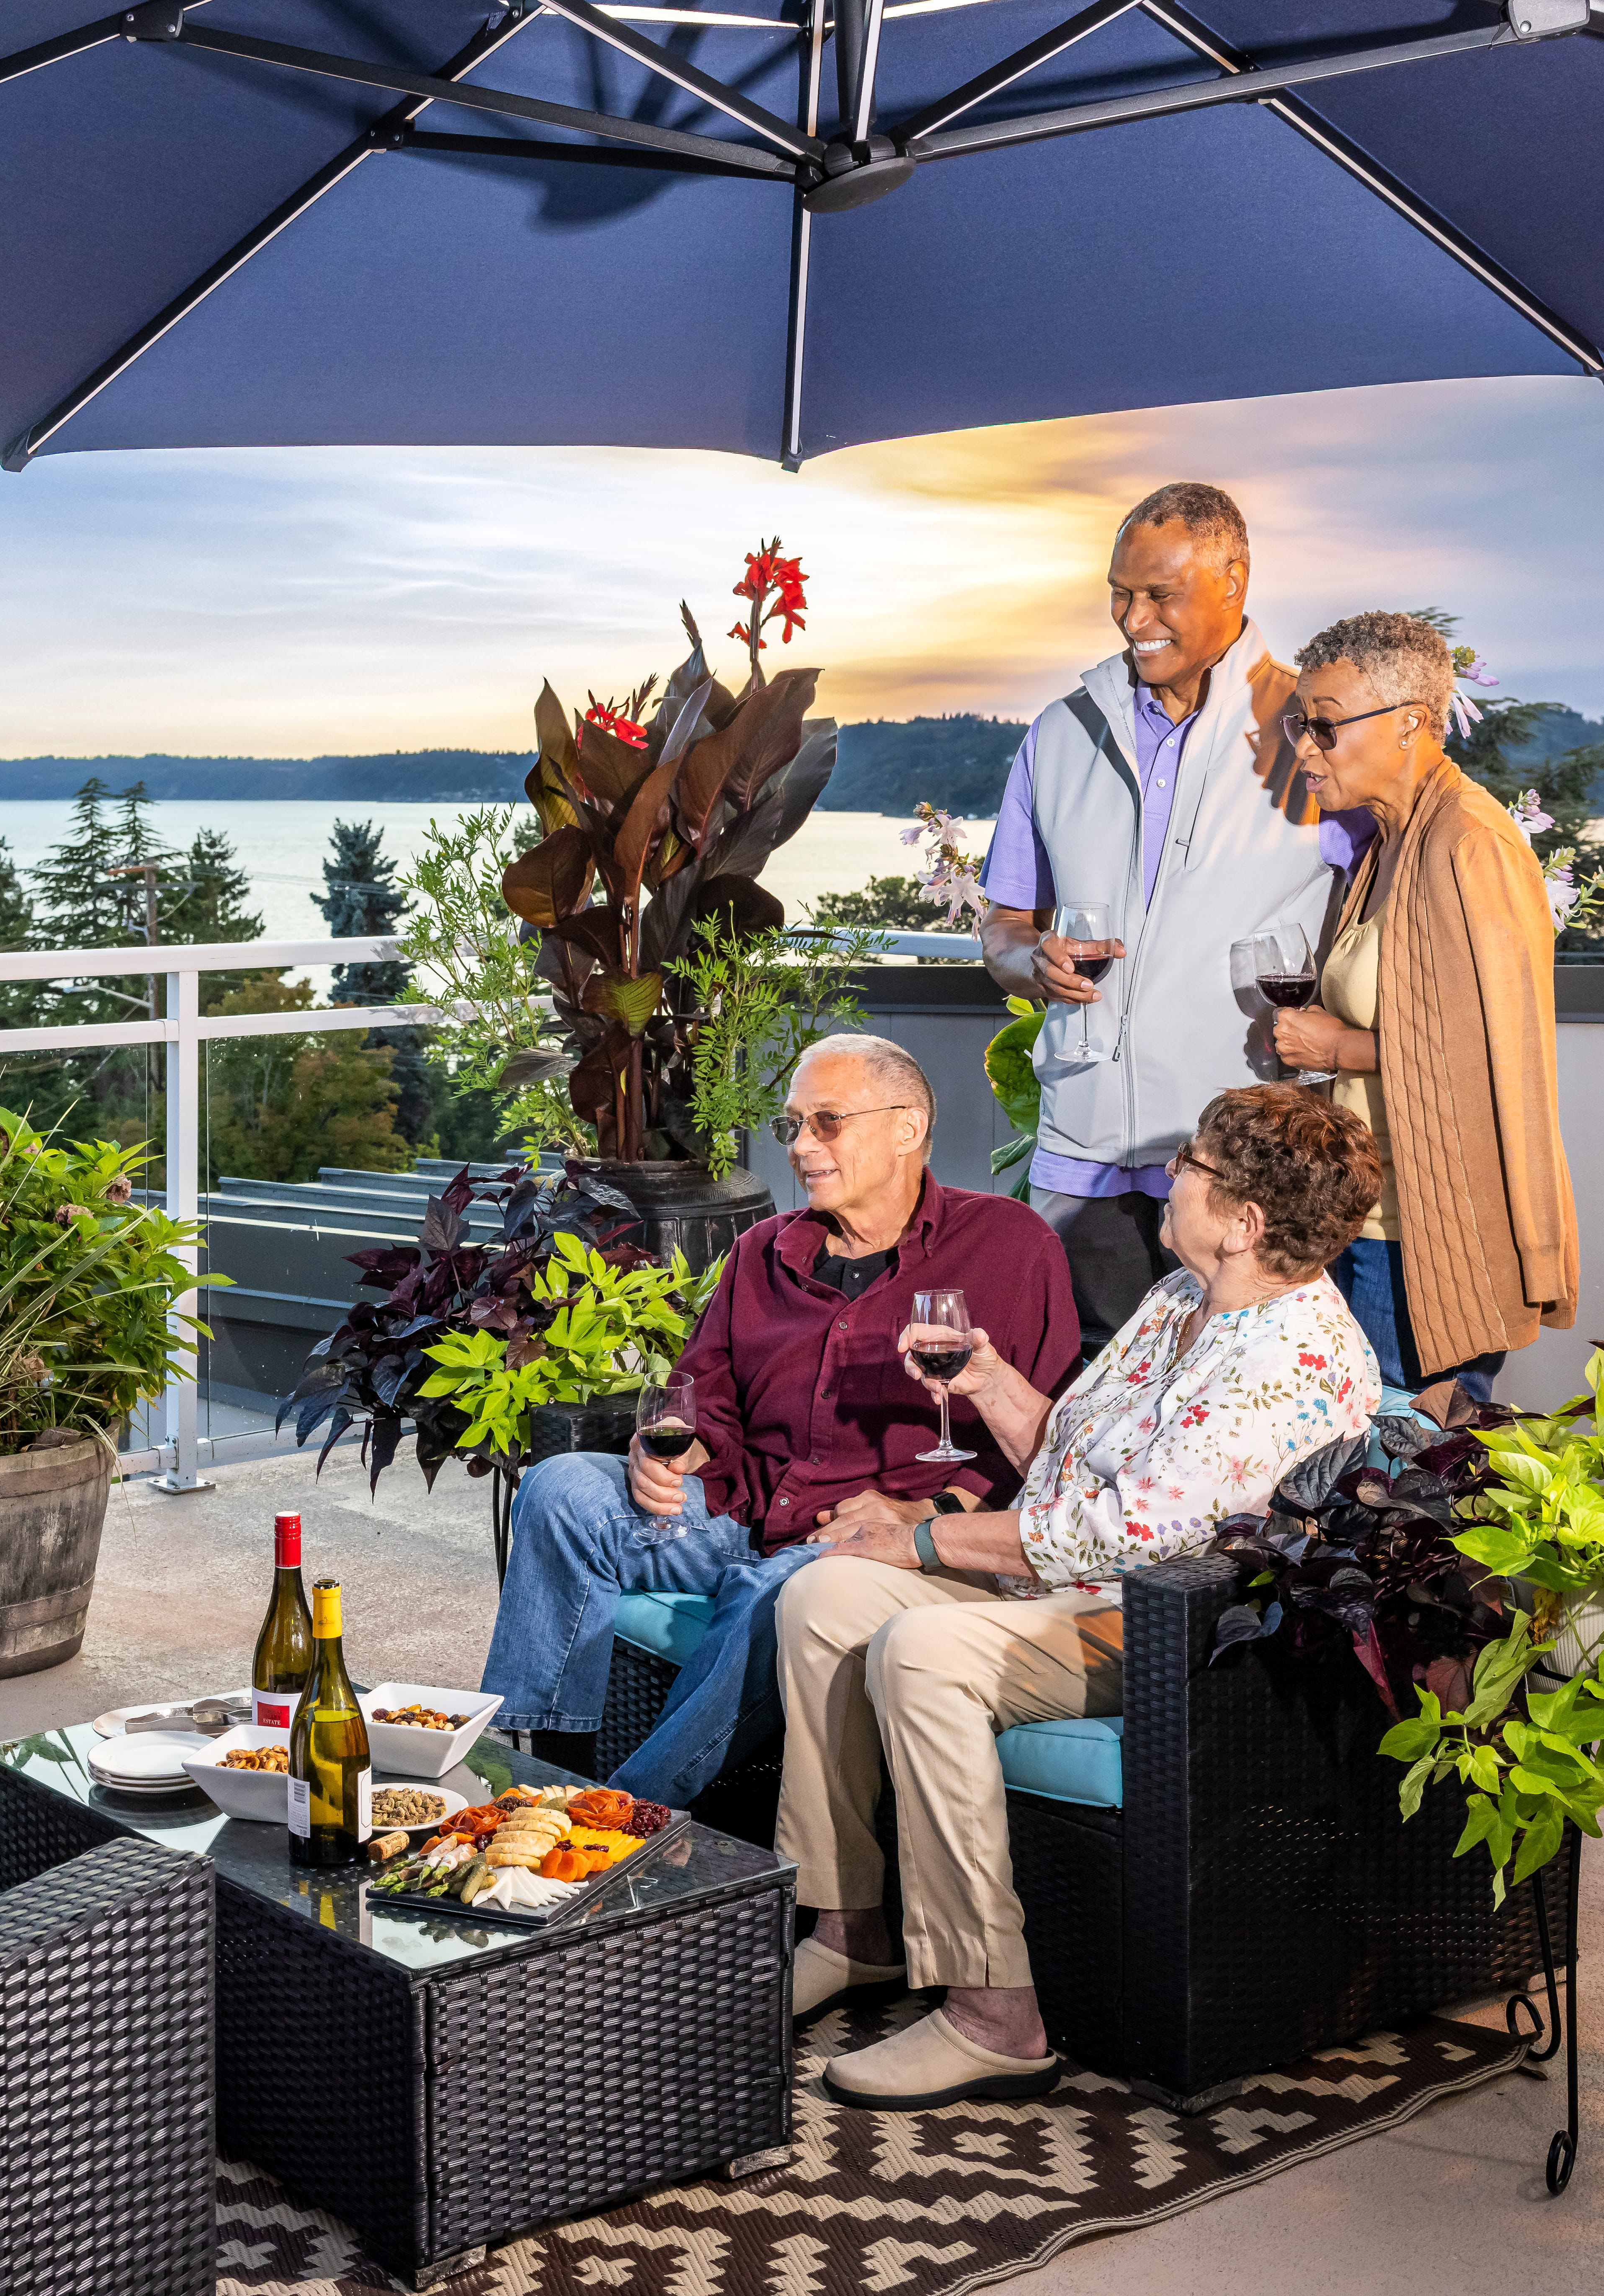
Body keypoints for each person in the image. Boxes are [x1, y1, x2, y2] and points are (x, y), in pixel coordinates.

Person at [774, 1085, 1382, 2110]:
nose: (1169, 1174)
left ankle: (995, 2016)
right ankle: (852, 1927)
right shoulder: (1187, 1298)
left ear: (1245, 1223)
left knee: (921, 1650)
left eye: (1191, 1163)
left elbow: (1126, 1529)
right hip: (1068, 1579)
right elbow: (1078, 1455)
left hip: (1161, 1622)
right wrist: (993, 1382)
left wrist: (921, 1534)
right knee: (823, 1595)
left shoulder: (1285, 1361)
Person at [479, 1036, 1078, 1800]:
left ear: (909, 1127)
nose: (801, 1147)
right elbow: (705, 1403)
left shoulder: (1009, 1245)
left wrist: (927, 1510)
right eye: (793, 1125)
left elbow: (1050, 1442)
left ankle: (623, 1818)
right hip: (743, 1514)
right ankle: (534, 1780)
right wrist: (671, 1455)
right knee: (564, 1487)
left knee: (788, 1590)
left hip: (872, 1547)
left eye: (827, 1122)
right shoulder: (763, 1249)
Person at [979, 482, 1349, 1355]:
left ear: (1235, 580)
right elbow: (1001, 922)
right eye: (1119, 590)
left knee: (1239, 1407)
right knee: (1084, 1395)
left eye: (1159, 593)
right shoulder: (1060, 733)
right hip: (1086, 1149)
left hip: (1242, 1154)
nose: (1130, 616)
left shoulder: (1311, 733)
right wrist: (1032, 959)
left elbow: (1391, 932)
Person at [1267, 611, 1579, 1412]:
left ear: (1411, 723)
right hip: (1367, 1221)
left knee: (1399, 1491)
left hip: (1426, 1238)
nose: (1304, 748)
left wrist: (1338, 1050)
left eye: (1326, 727)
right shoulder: (1388, 842)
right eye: (1301, 724)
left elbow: (1500, 1050)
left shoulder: (1472, 841)